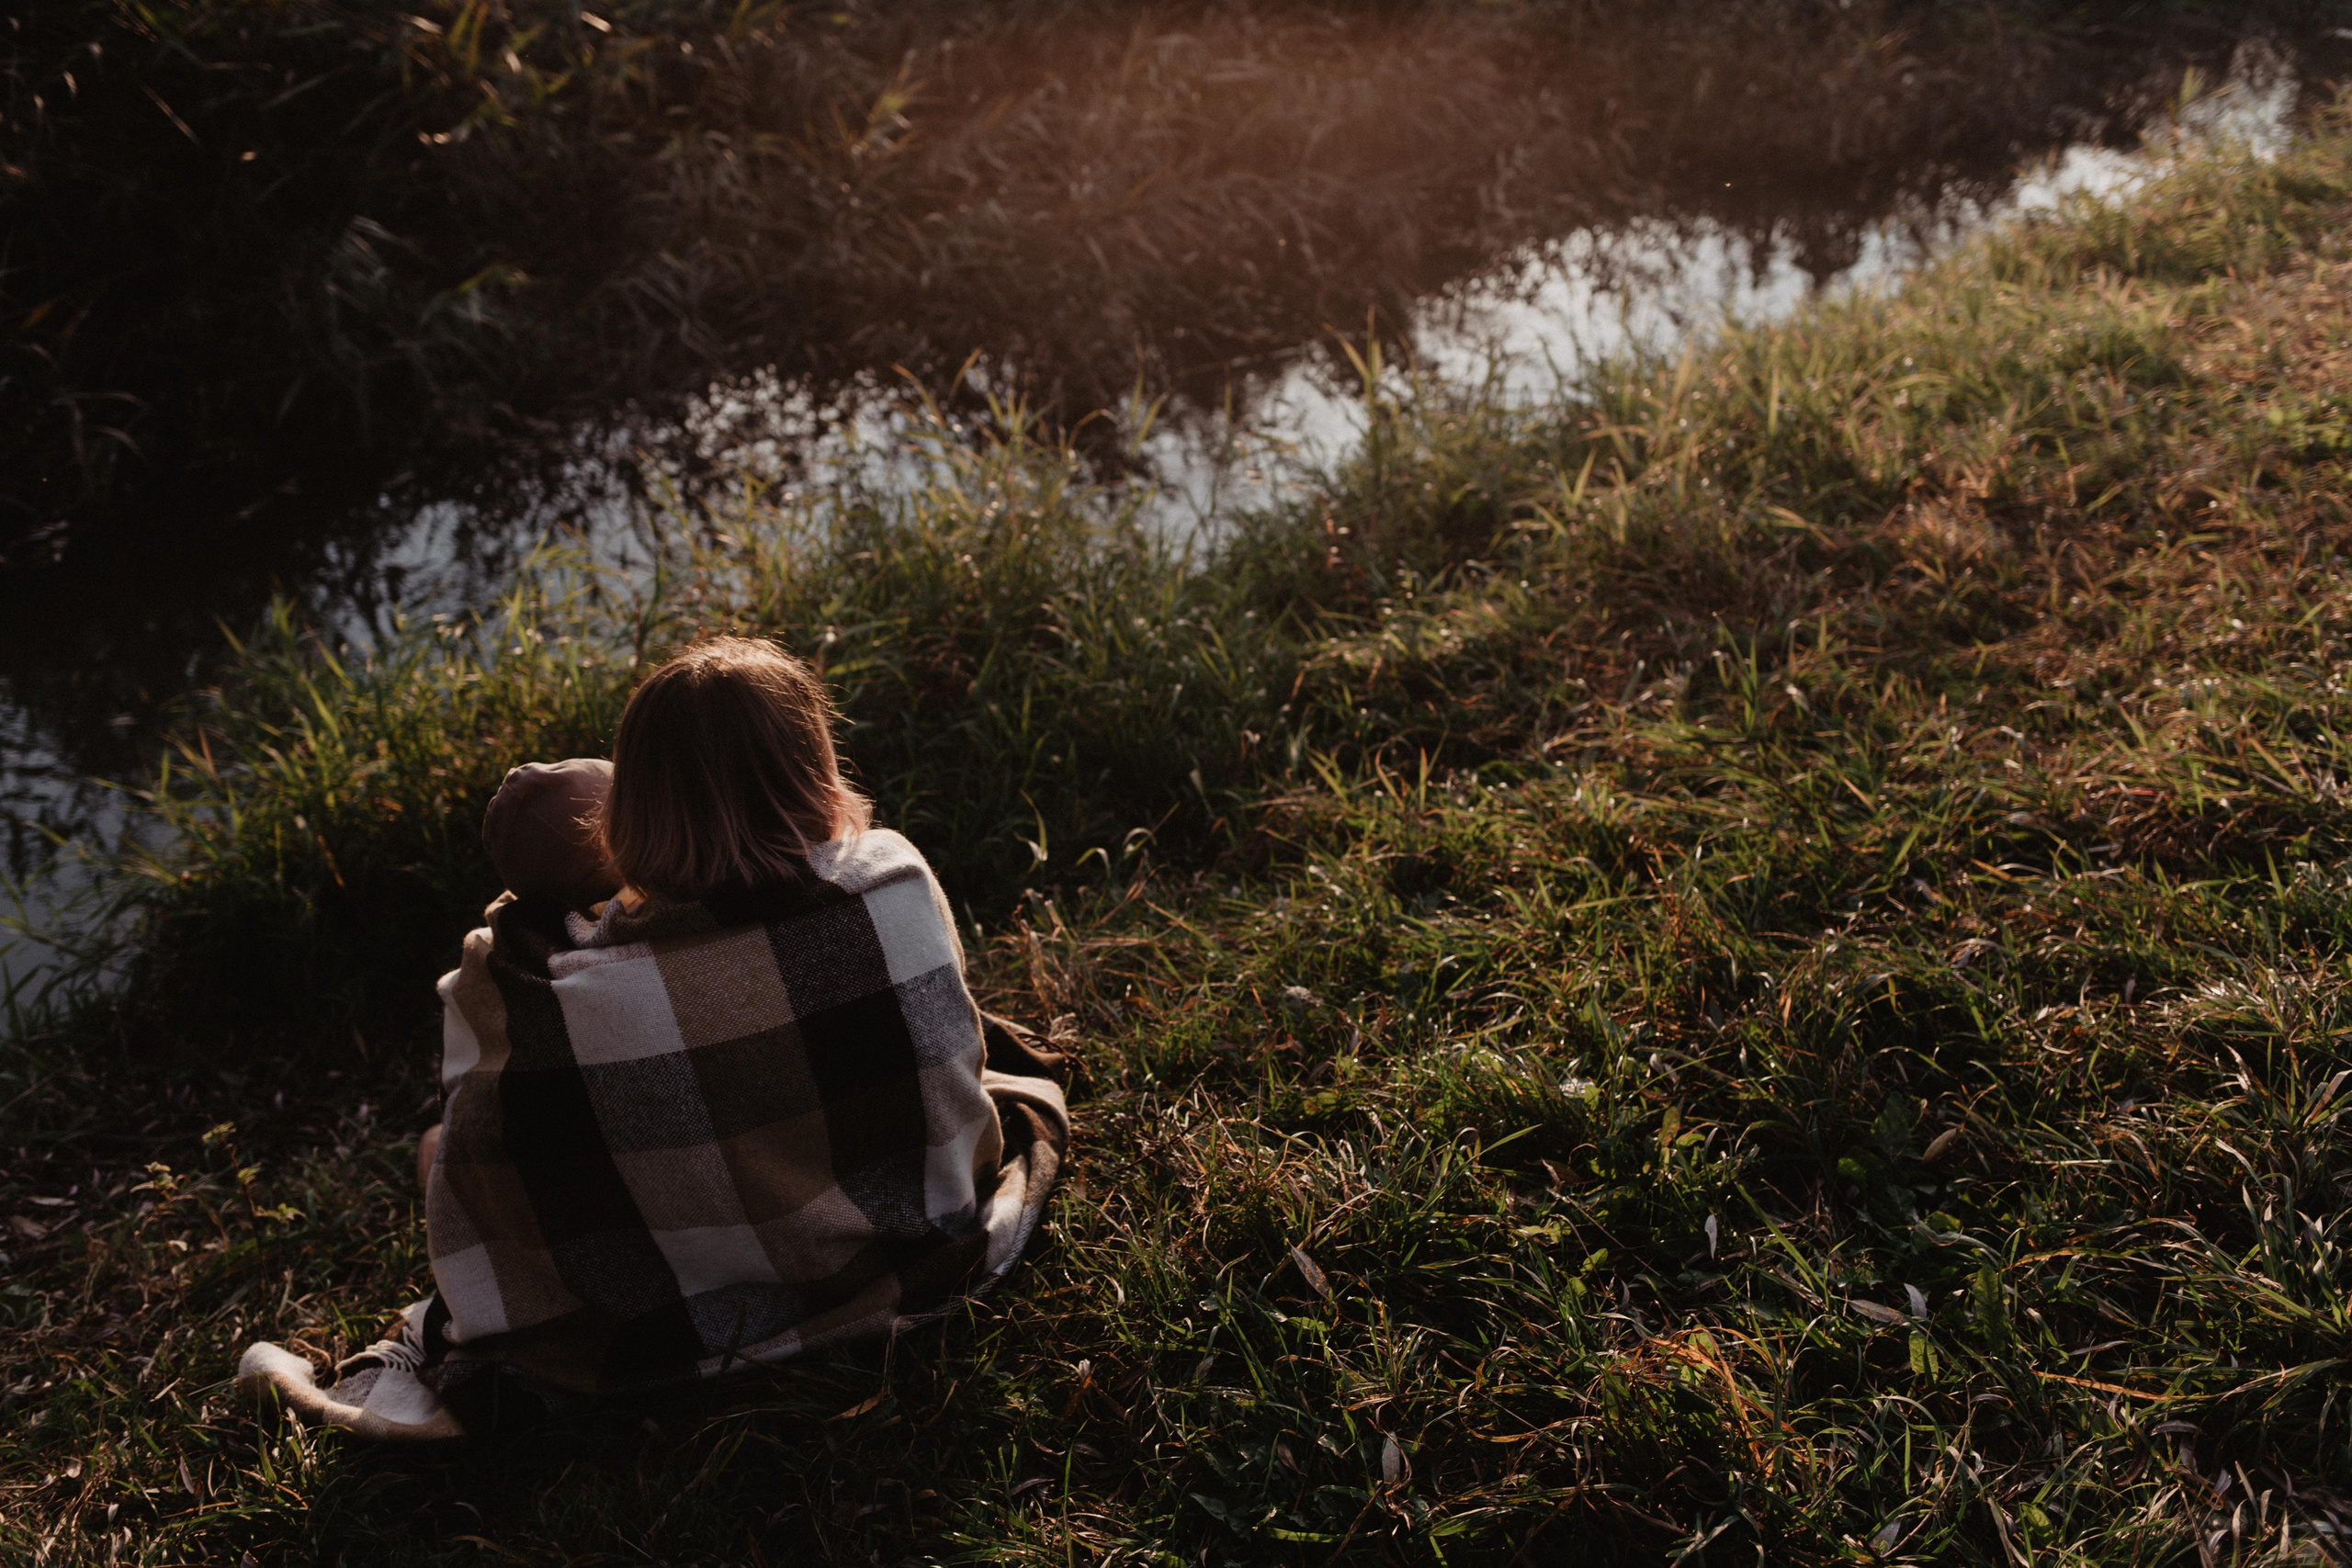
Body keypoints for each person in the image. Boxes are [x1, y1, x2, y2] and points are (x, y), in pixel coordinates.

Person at [239, 637, 1069, 1440]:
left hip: (660, 1312)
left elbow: (489, 1148)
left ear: (630, 800)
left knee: (438, 1148)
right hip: (911, 1242)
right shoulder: (889, 878)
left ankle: (421, 1336)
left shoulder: (531, 975)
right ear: (815, 766)